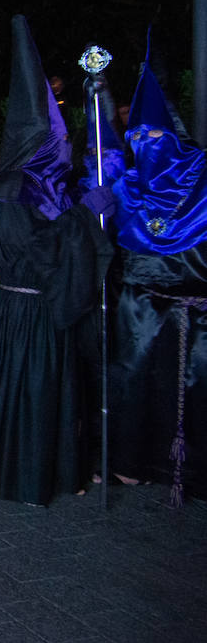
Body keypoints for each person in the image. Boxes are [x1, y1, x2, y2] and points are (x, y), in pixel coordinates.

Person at [0, 15, 115, 506]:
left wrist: (88, 204)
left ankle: (57, 469)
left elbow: (64, 234)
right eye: (56, 139)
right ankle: (24, 477)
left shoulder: (51, 184)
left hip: (51, 310)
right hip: (25, 311)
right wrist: (84, 216)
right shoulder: (11, 188)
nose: (64, 145)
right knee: (29, 394)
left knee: (57, 394)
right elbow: (31, 249)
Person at [106, 42, 206, 504]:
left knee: (191, 382)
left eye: (154, 137)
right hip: (141, 304)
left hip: (193, 307)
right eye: (138, 138)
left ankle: (189, 468)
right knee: (135, 378)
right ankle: (132, 463)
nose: (146, 146)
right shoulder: (127, 181)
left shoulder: (198, 175)